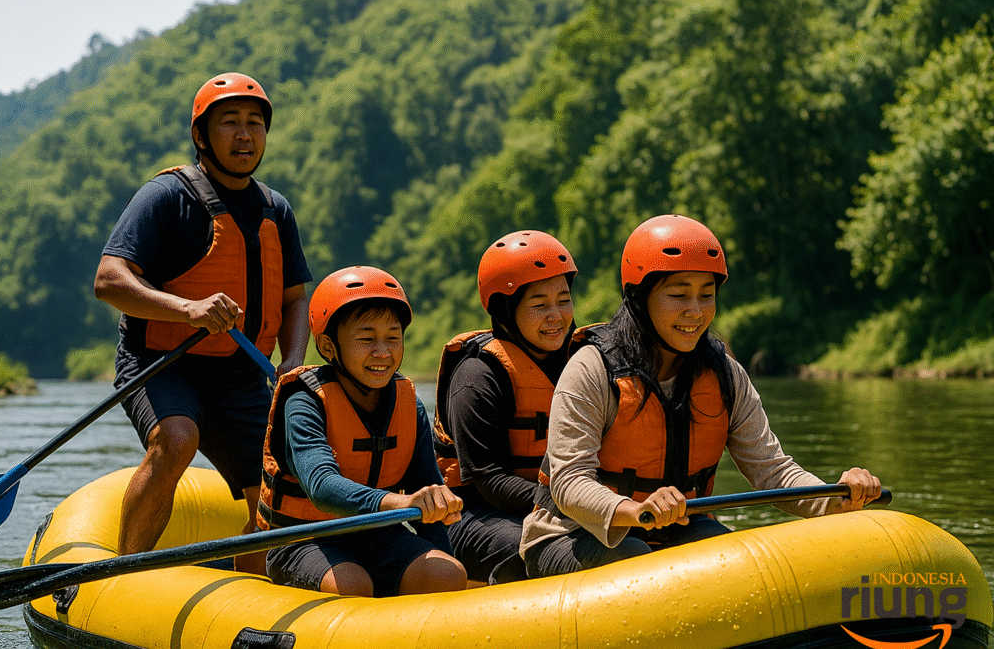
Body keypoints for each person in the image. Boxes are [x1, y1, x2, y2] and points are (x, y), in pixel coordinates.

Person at [520, 214, 883, 577]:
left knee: (737, 557)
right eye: (678, 295)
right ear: (639, 298)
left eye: (706, 295)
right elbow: (569, 482)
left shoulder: (725, 374)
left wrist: (835, 496)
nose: (695, 311)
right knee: (636, 556)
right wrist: (631, 510)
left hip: (673, 530)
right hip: (568, 535)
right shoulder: (591, 369)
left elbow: (774, 471)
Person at [94, 72, 313, 573]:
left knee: (279, 491)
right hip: (162, 364)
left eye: (254, 123)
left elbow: (296, 298)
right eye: (229, 123)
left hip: (241, 376)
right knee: (176, 439)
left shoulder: (275, 210)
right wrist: (187, 309)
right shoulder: (166, 196)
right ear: (200, 135)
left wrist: (294, 358)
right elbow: (109, 279)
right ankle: (122, 574)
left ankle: (243, 587)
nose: (244, 135)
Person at [258, 266, 467, 596]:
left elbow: (428, 491)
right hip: (303, 537)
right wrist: (398, 503)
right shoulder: (303, 402)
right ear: (328, 347)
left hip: (376, 535)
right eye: (366, 339)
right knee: (353, 584)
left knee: (447, 574)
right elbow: (322, 487)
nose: (383, 352)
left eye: (393, 338)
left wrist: (446, 558)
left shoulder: (407, 404)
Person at [433, 230, 578, 585]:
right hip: (473, 516)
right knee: (545, 546)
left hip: (558, 503)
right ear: (505, 310)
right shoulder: (477, 377)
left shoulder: (583, 363)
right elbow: (489, 481)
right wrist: (575, 501)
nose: (556, 316)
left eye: (563, 300)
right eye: (540, 305)